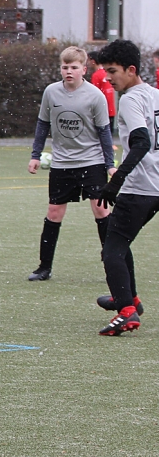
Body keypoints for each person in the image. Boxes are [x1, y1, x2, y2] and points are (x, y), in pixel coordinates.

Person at [26, 46, 114, 282]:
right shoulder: (51, 92)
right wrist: (35, 155)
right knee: (54, 212)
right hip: (62, 163)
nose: (68, 71)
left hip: (92, 162)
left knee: (101, 209)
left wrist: (109, 164)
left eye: (74, 67)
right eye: (65, 67)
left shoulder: (95, 96)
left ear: (84, 69)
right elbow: (43, 124)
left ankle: (112, 266)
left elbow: (104, 132)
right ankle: (44, 268)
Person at [93, 40, 159, 335]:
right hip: (156, 187)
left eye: (112, 71)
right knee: (120, 241)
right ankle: (129, 297)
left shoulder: (131, 100)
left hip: (139, 188)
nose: (108, 78)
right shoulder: (155, 95)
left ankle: (126, 311)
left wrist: (115, 181)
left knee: (112, 250)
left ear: (131, 70)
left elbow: (142, 142)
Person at [88, 51, 116, 131]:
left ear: (93, 61)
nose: (88, 63)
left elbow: (94, 95)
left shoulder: (96, 75)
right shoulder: (107, 73)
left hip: (101, 111)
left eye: (88, 60)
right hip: (111, 110)